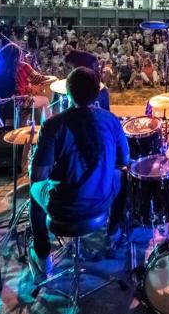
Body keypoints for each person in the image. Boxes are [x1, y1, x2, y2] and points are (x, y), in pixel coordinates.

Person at [28, 67, 129, 278]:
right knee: (123, 176)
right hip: (102, 201)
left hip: (62, 208)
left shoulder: (53, 125)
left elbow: (38, 176)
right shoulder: (111, 120)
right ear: (97, 92)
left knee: (34, 191)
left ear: (68, 91)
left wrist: (33, 164)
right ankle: (113, 233)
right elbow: (124, 161)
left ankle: (42, 256)